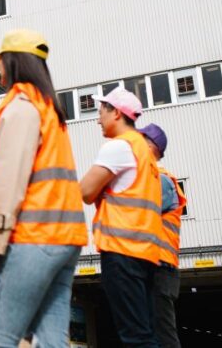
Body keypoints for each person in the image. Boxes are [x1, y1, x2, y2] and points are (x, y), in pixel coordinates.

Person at [0, 29, 88, 348]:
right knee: (50, 341)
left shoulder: (22, 107)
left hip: (32, 239)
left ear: (12, 63)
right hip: (65, 242)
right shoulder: (51, 110)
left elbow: (8, 180)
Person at [79, 88, 163, 348]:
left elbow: (84, 191)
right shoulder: (143, 153)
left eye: (100, 112)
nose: (97, 119)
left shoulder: (119, 147)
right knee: (144, 332)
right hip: (145, 254)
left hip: (122, 251)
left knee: (135, 337)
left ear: (116, 113)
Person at [139, 123, 187, 348]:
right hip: (152, 266)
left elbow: (141, 213)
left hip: (161, 267)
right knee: (149, 332)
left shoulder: (161, 180)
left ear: (150, 146)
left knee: (162, 333)